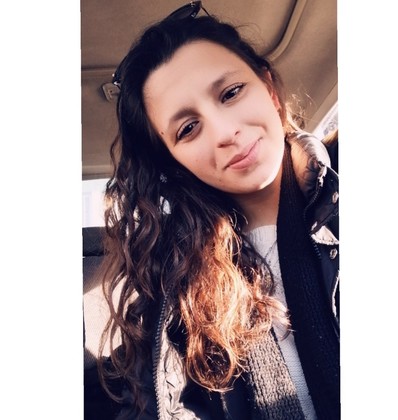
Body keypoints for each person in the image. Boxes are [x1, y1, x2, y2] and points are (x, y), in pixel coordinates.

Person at [90, 2, 340, 419]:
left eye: (231, 93)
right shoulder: (169, 287)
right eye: (188, 129)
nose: (226, 132)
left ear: (269, 90)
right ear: (173, 162)